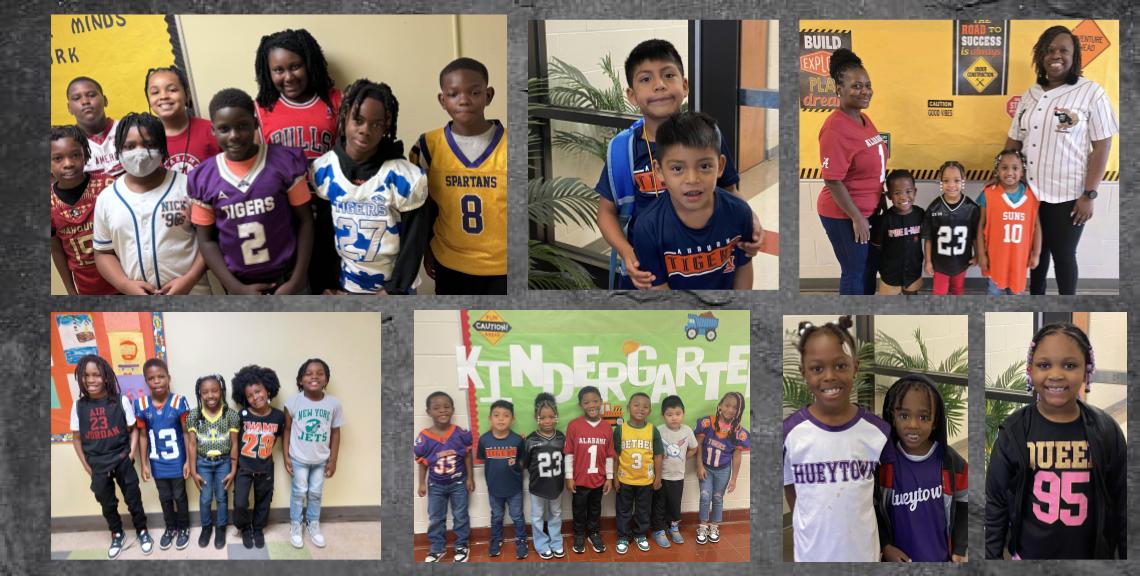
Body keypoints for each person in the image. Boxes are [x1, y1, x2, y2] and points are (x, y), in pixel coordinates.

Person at [596, 39, 761, 290]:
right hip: (647, 270)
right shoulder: (624, 150)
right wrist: (626, 251)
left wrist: (752, 220)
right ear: (632, 95)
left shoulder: (709, 137)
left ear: (684, 86)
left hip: (705, 265)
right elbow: (606, 212)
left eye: (668, 75)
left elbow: (729, 191)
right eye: (645, 79)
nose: (659, 85)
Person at [985, 323, 1126, 559]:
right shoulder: (1015, 432)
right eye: (1044, 365)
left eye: (1070, 365)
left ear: (1086, 370)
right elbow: (995, 502)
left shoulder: (1106, 431)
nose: (1056, 374)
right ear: (1030, 370)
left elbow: (1123, 502)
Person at [1005, 25, 1118, 295]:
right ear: (1040, 56)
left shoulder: (1091, 92)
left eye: (1063, 50)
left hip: (1068, 195)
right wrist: (1001, 179)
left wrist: (1089, 194)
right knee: (1036, 257)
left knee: (1064, 256)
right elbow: (1013, 141)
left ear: (1074, 56)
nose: (1056, 55)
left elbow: (1102, 146)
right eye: (1050, 50)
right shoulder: (1030, 95)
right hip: (1029, 194)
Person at [783, 316, 896, 561]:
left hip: (862, 554)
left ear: (855, 366)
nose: (829, 376)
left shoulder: (877, 431)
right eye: (817, 368)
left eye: (840, 365)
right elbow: (791, 488)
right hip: (812, 555)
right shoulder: (790, 433)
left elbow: (879, 493)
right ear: (804, 373)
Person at [188, 88, 313, 295]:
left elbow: (306, 221)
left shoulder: (284, 162)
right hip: (239, 283)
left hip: (289, 277)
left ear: (255, 124)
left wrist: (298, 279)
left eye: (242, 126)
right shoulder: (204, 178)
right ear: (213, 130)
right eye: (224, 129)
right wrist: (235, 287)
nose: (234, 135)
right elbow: (206, 240)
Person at [310, 79, 428, 294]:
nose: (365, 130)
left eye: (376, 124)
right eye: (359, 120)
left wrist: (394, 291)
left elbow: (414, 243)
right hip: (346, 286)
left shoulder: (405, 177)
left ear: (386, 126)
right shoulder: (324, 169)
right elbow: (324, 235)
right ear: (345, 116)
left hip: (393, 288)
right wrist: (326, 283)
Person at [253, 28, 343, 294]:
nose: (288, 76)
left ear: (310, 63)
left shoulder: (335, 101)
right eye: (278, 70)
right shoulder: (261, 108)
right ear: (267, 72)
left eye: (295, 66)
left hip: (330, 211)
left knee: (329, 286)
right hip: (285, 216)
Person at [410, 57, 507, 295]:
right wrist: (426, 248)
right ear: (443, 100)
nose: (464, 100)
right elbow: (421, 207)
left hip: (503, 266)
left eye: (474, 92)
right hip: (449, 261)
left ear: (489, 95)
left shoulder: (511, 145)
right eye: (453, 94)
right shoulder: (427, 146)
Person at [630, 111, 754, 290]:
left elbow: (744, 270)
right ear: (659, 171)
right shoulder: (648, 227)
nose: (692, 179)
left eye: (704, 166)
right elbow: (660, 293)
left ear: (720, 166)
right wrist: (702, 319)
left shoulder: (739, 213)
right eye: (677, 168)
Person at [92, 112, 211, 295]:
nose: (139, 153)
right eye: (130, 146)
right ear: (118, 151)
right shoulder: (107, 198)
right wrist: (124, 285)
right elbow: (103, 252)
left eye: (149, 145)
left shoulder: (188, 186)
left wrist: (189, 280)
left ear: (162, 148)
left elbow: (210, 240)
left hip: (194, 293)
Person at [816, 49, 888, 294]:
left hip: (869, 211)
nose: (865, 91)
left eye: (868, 85)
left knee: (868, 268)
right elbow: (832, 180)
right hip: (844, 216)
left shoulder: (864, 119)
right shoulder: (835, 129)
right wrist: (857, 218)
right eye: (857, 86)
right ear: (839, 89)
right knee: (854, 271)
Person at [876, 375, 968, 562]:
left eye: (923, 417)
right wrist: (885, 546)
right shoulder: (884, 464)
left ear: (935, 421)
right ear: (893, 417)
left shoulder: (951, 464)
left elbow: (966, 505)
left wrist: (959, 549)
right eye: (904, 416)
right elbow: (873, 509)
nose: (913, 425)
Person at [70, 354, 154, 559]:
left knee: (133, 498)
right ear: (81, 378)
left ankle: (142, 530)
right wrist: (86, 465)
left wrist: (131, 453)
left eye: (96, 375)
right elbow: (76, 439)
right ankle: (117, 533)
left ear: (106, 377)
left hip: (122, 459)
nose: (91, 380)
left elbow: (133, 430)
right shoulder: (78, 406)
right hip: (97, 465)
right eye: (86, 375)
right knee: (107, 503)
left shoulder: (120, 400)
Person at [284, 358, 344, 549]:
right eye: (309, 373)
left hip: (320, 460)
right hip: (298, 458)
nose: (314, 377)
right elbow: (286, 430)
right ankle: (295, 525)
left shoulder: (333, 404)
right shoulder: (292, 402)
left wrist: (333, 460)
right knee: (298, 493)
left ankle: (313, 524)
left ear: (326, 380)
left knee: (316, 494)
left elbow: (335, 432)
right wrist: (286, 455)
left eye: (319, 373)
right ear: (300, 380)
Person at [50, 125, 118, 295]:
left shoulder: (108, 186)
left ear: (86, 154)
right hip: (88, 289)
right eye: (58, 158)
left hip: (125, 281)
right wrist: (70, 290)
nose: (68, 164)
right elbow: (56, 250)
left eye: (75, 155)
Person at [134, 359, 191, 550]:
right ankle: (170, 527)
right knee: (164, 497)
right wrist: (144, 464)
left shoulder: (178, 402)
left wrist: (189, 461)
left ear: (168, 378)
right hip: (157, 462)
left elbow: (186, 433)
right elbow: (142, 436)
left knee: (179, 496)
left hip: (177, 461)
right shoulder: (141, 404)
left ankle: (184, 527)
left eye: (161, 377)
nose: (157, 381)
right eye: (151, 378)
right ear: (146, 381)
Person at [415, 391, 474, 563]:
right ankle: (437, 548)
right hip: (435, 484)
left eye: (447, 407)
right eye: (437, 408)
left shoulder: (460, 433)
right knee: (435, 517)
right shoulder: (424, 437)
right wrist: (421, 483)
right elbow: (422, 462)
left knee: (461, 515)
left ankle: (462, 545)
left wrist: (470, 477)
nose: (442, 411)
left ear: (453, 409)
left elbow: (467, 456)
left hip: (458, 482)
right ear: (429, 412)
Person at [231, 365, 285, 549]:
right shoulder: (242, 416)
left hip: (265, 467)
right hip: (244, 468)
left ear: (267, 389)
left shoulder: (278, 416)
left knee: (264, 500)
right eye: (250, 395)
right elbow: (235, 442)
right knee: (240, 502)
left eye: (258, 391)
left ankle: (258, 528)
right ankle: (245, 528)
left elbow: (276, 439)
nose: (256, 397)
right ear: (244, 399)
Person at [976, 150, 1041, 295]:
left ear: (1022, 171)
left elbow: (1036, 227)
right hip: (995, 259)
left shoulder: (1031, 196)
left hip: (1019, 260)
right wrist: (981, 254)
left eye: (1015, 168)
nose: (1010, 172)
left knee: (1015, 301)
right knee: (994, 298)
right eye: (1004, 168)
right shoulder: (988, 194)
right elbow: (981, 226)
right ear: (997, 171)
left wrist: (1036, 254)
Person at [186, 373, 239, 549]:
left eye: (215, 391)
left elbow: (234, 443)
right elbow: (192, 444)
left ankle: (221, 528)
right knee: (206, 498)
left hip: (224, 462)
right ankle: (206, 528)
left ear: (221, 391)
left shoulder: (230, 415)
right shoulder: (194, 415)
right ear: (199, 394)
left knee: (222, 497)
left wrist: (233, 469)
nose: (210, 396)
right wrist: (193, 471)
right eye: (205, 392)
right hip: (203, 463)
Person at [563, 385, 615, 554]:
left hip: (598, 479)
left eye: (595, 401)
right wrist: (569, 477)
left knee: (595, 508)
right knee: (578, 509)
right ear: (581, 405)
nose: (591, 405)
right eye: (586, 402)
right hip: (580, 479)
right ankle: (579, 534)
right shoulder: (574, 426)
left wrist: (609, 477)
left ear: (601, 402)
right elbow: (569, 453)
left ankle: (593, 533)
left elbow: (609, 455)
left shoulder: (607, 428)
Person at [694, 391, 748, 545]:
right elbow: (698, 444)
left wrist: (734, 479)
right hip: (706, 467)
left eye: (734, 407)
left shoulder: (738, 432)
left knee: (717, 497)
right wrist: (699, 466)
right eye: (727, 405)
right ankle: (703, 526)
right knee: (705, 496)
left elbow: (737, 456)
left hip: (723, 470)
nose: (730, 410)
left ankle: (714, 526)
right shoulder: (707, 423)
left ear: (739, 411)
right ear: (720, 406)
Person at [145, 66, 220, 174]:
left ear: (187, 94)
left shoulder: (211, 131)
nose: (164, 96)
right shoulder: (145, 140)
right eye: (155, 92)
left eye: (172, 90)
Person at [614, 393, 663, 554]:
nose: (640, 409)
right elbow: (615, 456)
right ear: (628, 408)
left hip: (646, 481)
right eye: (636, 405)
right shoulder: (620, 430)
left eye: (645, 406)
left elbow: (657, 455)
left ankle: (640, 534)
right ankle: (623, 536)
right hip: (625, 479)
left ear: (649, 411)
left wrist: (658, 477)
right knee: (623, 509)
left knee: (643, 510)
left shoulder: (652, 430)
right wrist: (614, 477)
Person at [478, 400, 528, 559]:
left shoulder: (517, 440)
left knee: (517, 515)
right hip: (494, 489)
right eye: (496, 415)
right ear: (490, 418)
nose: (501, 419)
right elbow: (484, 461)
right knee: (497, 516)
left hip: (514, 489)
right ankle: (496, 539)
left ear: (512, 419)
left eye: (506, 416)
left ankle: (521, 540)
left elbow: (522, 462)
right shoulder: (484, 440)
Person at [922, 161, 979, 295]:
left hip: (961, 262)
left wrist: (977, 254)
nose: (951, 185)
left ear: (963, 181)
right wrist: (928, 261)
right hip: (940, 264)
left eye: (956, 180)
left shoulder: (971, 208)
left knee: (958, 291)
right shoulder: (933, 208)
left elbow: (976, 236)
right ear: (940, 182)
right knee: (939, 293)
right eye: (946, 180)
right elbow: (928, 238)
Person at [522, 393, 566, 559]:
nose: (547, 421)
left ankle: (556, 542)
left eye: (551, 417)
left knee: (556, 514)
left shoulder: (561, 437)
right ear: (536, 417)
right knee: (537, 516)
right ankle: (541, 544)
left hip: (556, 486)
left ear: (556, 417)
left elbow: (566, 461)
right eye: (543, 417)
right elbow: (525, 464)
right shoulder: (531, 440)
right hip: (537, 486)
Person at [651, 394, 697, 547]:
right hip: (661, 476)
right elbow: (652, 453)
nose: (674, 418)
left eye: (678, 414)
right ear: (663, 415)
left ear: (683, 413)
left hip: (678, 477)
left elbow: (694, 448)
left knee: (675, 504)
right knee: (659, 504)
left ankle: (674, 527)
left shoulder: (687, 431)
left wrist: (684, 456)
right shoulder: (659, 431)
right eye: (669, 414)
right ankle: (659, 530)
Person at [873, 170, 924, 295]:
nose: (903, 196)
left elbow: (929, 240)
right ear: (889, 195)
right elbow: (876, 248)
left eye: (908, 191)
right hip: (890, 275)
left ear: (915, 191)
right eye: (897, 193)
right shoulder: (884, 219)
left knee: (912, 304)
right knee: (888, 309)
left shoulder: (921, 214)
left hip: (913, 271)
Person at [65, 76, 122, 186]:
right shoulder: (67, 144)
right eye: (77, 98)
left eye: (91, 95)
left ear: (105, 100)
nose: (85, 101)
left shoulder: (127, 130)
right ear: (69, 108)